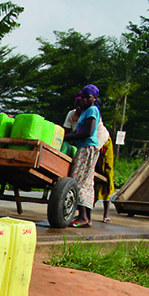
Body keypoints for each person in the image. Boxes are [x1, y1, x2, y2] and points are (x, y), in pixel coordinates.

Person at [63, 85, 114, 222]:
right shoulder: (84, 112)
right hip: (83, 147)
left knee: (78, 180)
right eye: (83, 97)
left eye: (88, 97)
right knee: (85, 181)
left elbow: (87, 132)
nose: (84, 100)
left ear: (95, 98)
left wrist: (65, 138)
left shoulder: (92, 110)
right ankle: (85, 217)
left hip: (88, 147)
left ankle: (83, 217)